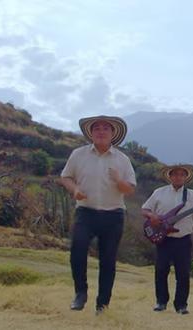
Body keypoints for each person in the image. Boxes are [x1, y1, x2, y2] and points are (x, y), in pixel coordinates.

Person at [59, 115, 136, 315]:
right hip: (85, 212)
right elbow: (65, 177)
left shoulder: (122, 160)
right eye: (97, 128)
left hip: (113, 215)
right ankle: (80, 293)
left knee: (108, 260)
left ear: (112, 134)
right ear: (91, 133)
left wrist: (119, 180)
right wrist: (75, 190)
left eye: (105, 129)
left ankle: (102, 305)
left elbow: (130, 190)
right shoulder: (78, 154)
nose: (101, 131)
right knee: (77, 248)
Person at [142, 164, 193, 315]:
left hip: (183, 239)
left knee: (183, 273)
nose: (178, 177)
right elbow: (145, 209)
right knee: (160, 270)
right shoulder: (159, 192)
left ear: (186, 177)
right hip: (164, 239)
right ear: (170, 176)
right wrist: (152, 217)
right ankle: (161, 302)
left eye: (181, 174)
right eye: (175, 174)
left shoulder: (192, 195)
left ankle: (181, 305)